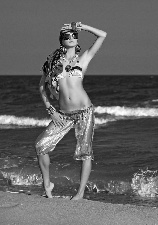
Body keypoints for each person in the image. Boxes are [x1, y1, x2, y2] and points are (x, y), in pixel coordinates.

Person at [35, 22, 107, 200]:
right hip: (63, 114)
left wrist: (83, 26)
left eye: (74, 35)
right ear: (61, 41)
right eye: (67, 36)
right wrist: (50, 109)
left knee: (85, 152)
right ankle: (47, 184)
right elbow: (42, 87)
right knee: (41, 146)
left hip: (84, 111)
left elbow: (103, 35)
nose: (71, 38)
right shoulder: (53, 64)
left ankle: (80, 192)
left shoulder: (83, 59)